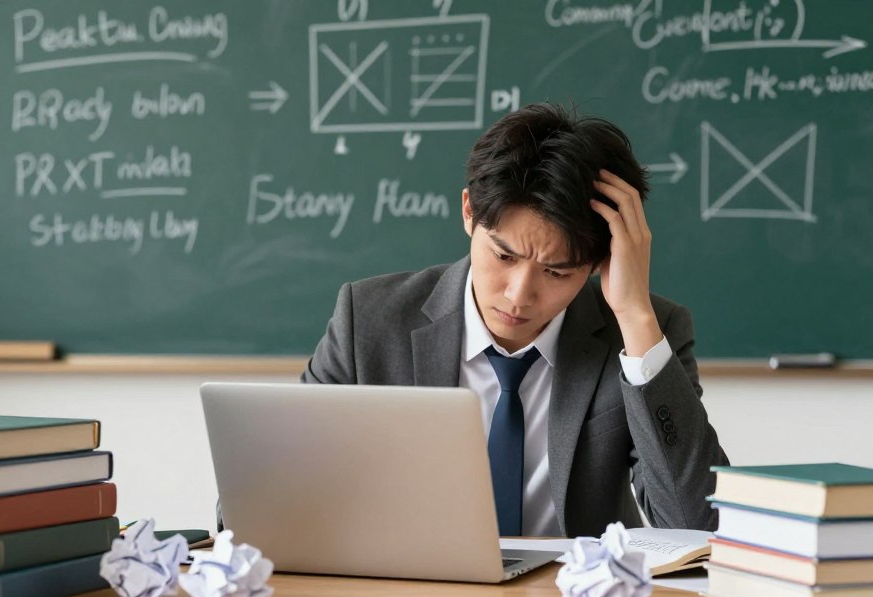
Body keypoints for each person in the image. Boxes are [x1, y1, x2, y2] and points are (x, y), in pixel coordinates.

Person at [302, 102, 729, 538]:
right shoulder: (370, 321)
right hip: (408, 596)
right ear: (469, 211)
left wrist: (635, 315)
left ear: (600, 260)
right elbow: (264, 500)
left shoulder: (645, 333)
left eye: (557, 272)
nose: (519, 294)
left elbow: (699, 526)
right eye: (504, 256)